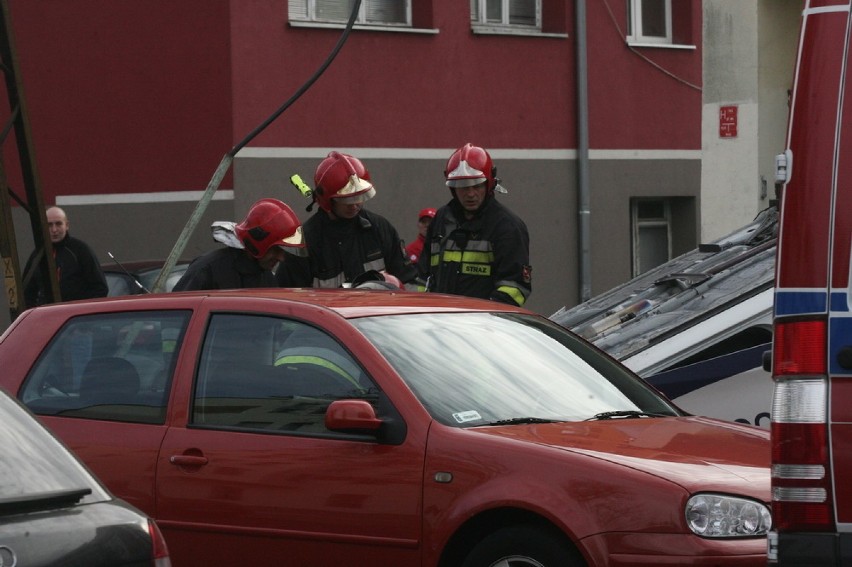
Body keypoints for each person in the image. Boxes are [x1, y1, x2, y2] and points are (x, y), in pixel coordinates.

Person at [277, 151, 416, 288]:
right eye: (348, 199)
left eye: (360, 197)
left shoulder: (379, 228)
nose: (355, 205)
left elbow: (405, 281)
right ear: (327, 200)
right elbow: (290, 300)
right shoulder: (305, 243)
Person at [417, 143, 532, 307]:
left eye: (476, 186)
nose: (470, 194)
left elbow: (515, 288)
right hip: (438, 323)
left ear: (489, 183)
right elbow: (422, 277)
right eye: (463, 187)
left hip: (482, 328)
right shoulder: (441, 219)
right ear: (453, 188)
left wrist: (482, 318)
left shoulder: (507, 227)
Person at [173, 198, 305, 291]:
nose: (281, 258)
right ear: (257, 242)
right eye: (275, 249)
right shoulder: (207, 270)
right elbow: (176, 319)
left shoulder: (267, 279)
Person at [23, 205, 109, 307]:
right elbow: (26, 292)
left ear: (67, 225)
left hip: (76, 318)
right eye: (49, 225)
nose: (54, 230)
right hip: (46, 317)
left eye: (58, 224)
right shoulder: (38, 254)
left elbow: (100, 288)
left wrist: (82, 311)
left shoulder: (81, 250)